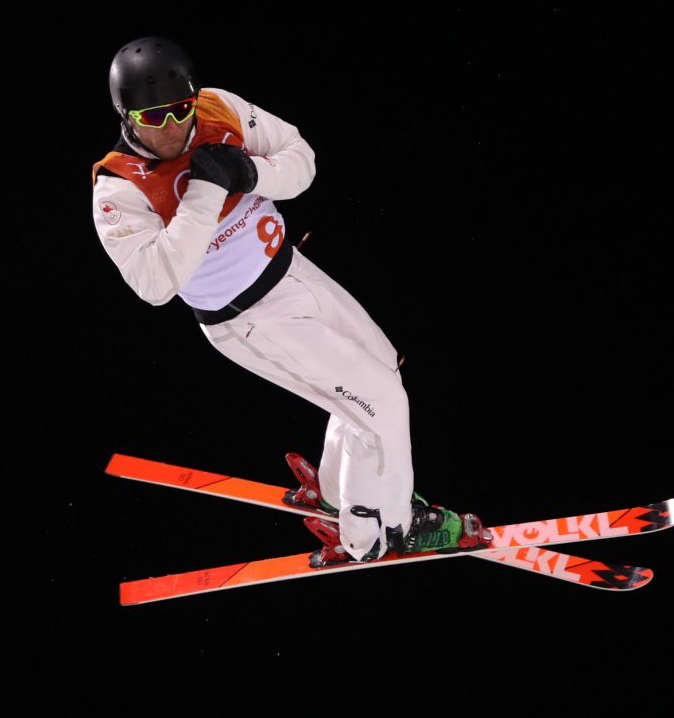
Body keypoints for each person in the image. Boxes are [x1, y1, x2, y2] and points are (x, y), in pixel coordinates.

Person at [90, 36, 491, 566]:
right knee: (382, 406)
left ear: (192, 98)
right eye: (151, 117)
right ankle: (383, 530)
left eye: (179, 110)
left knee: (382, 373)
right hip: (247, 320)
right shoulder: (117, 189)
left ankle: (333, 489)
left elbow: (301, 159)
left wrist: (253, 173)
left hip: (291, 271)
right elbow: (156, 284)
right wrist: (206, 193)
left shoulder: (219, 107)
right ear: (125, 115)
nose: (170, 129)